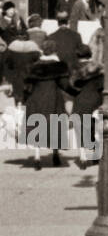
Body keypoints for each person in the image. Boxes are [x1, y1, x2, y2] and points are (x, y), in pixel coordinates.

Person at [22, 38, 77, 169]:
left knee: (37, 126)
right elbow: (65, 85)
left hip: (36, 98)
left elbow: (27, 87)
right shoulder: (59, 67)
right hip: (54, 97)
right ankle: (55, 153)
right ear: (55, 50)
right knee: (55, 125)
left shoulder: (34, 67)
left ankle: (37, 156)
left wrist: (25, 99)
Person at [68, 43, 103, 167]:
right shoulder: (98, 69)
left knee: (80, 128)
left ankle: (83, 156)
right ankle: (95, 152)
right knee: (93, 128)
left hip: (80, 100)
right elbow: (102, 86)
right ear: (90, 54)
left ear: (77, 55)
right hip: (95, 100)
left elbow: (70, 87)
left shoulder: (73, 68)